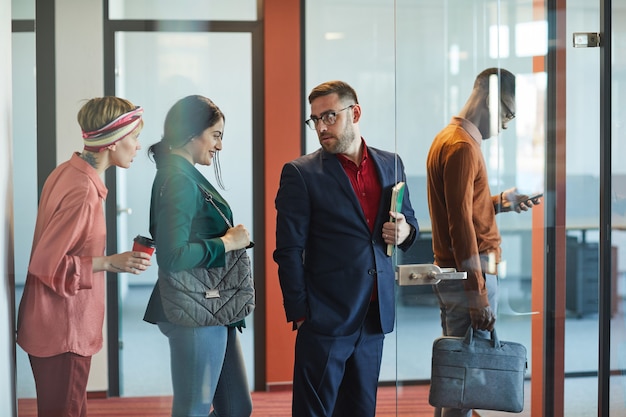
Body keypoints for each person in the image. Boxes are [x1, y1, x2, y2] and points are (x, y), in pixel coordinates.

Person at [273, 80, 419, 417]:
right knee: (315, 412)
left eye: (329, 116)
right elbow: (288, 250)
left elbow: (410, 226)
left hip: (374, 316)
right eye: (315, 120)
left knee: (360, 410)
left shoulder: (391, 164)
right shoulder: (300, 173)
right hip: (325, 318)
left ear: (355, 113)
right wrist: (300, 313)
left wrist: (404, 230)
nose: (321, 127)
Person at [16, 96, 152, 417]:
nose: (137, 145)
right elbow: (46, 265)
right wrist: (110, 262)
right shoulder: (83, 191)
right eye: (133, 137)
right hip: (64, 331)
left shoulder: (67, 171)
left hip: (50, 325)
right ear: (112, 142)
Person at [425, 68, 541, 417]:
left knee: (457, 380)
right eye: (508, 113)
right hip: (467, 279)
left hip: (460, 277)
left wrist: (503, 200)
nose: (506, 125)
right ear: (490, 98)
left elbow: (464, 211)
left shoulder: (451, 138)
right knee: (464, 387)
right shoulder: (462, 147)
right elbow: (460, 228)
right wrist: (478, 296)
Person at [143, 95, 253, 417]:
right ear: (192, 133)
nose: (218, 146)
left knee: (236, 407)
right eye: (215, 135)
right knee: (194, 408)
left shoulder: (181, 173)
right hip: (195, 309)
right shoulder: (178, 179)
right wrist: (228, 243)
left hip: (211, 306)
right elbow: (173, 255)